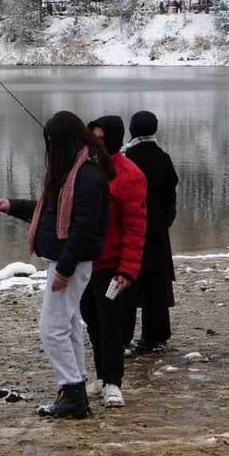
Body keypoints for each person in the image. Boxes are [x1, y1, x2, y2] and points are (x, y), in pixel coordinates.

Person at [0, 111, 112, 420]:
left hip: (71, 262)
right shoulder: (74, 171)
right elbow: (49, 212)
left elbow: (83, 228)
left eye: (51, 143)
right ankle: (77, 388)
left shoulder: (86, 176)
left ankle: (72, 392)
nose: (49, 150)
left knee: (51, 329)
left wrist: (64, 270)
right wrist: (13, 206)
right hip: (65, 260)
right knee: (68, 324)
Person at [80, 115, 146, 408]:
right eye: (92, 137)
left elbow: (136, 227)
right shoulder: (84, 169)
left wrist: (127, 270)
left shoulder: (129, 175)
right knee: (92, 321)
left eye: (101, 139)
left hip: (113, 267)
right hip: (85, 263)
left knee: (112, 326)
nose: (95, 144)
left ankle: (113, 382)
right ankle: (101, 374)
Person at [123, 110, 179, 354]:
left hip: (131, 230)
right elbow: (171, 195)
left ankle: (122, 335)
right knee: (157, 283)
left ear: (132, 130)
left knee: (127, 282)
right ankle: (156, 336)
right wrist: (164, 222)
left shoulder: (126, 158)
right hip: (157, 233)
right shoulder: (163, 157)